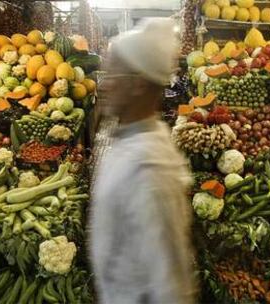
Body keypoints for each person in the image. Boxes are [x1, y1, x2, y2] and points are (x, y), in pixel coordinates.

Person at [90, 18, 196, 304]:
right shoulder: (124, 135)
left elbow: (172, 286)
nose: (106, 84)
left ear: (137, 84)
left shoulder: (151, 173)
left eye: (113, 73)